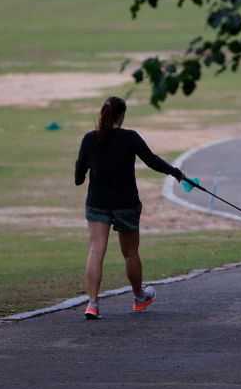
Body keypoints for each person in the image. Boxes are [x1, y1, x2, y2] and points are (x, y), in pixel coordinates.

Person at [74, 96, 186, 320]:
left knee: (96, 250)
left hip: (98, 202)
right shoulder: (130, 137)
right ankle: (139, 298)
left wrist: (86, 174)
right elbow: (152, 161)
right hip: (126, 203)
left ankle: (93, 304)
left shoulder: (89, 139)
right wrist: (176, 172)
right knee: (131, 252)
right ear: (122, 116)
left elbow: (79, 176)